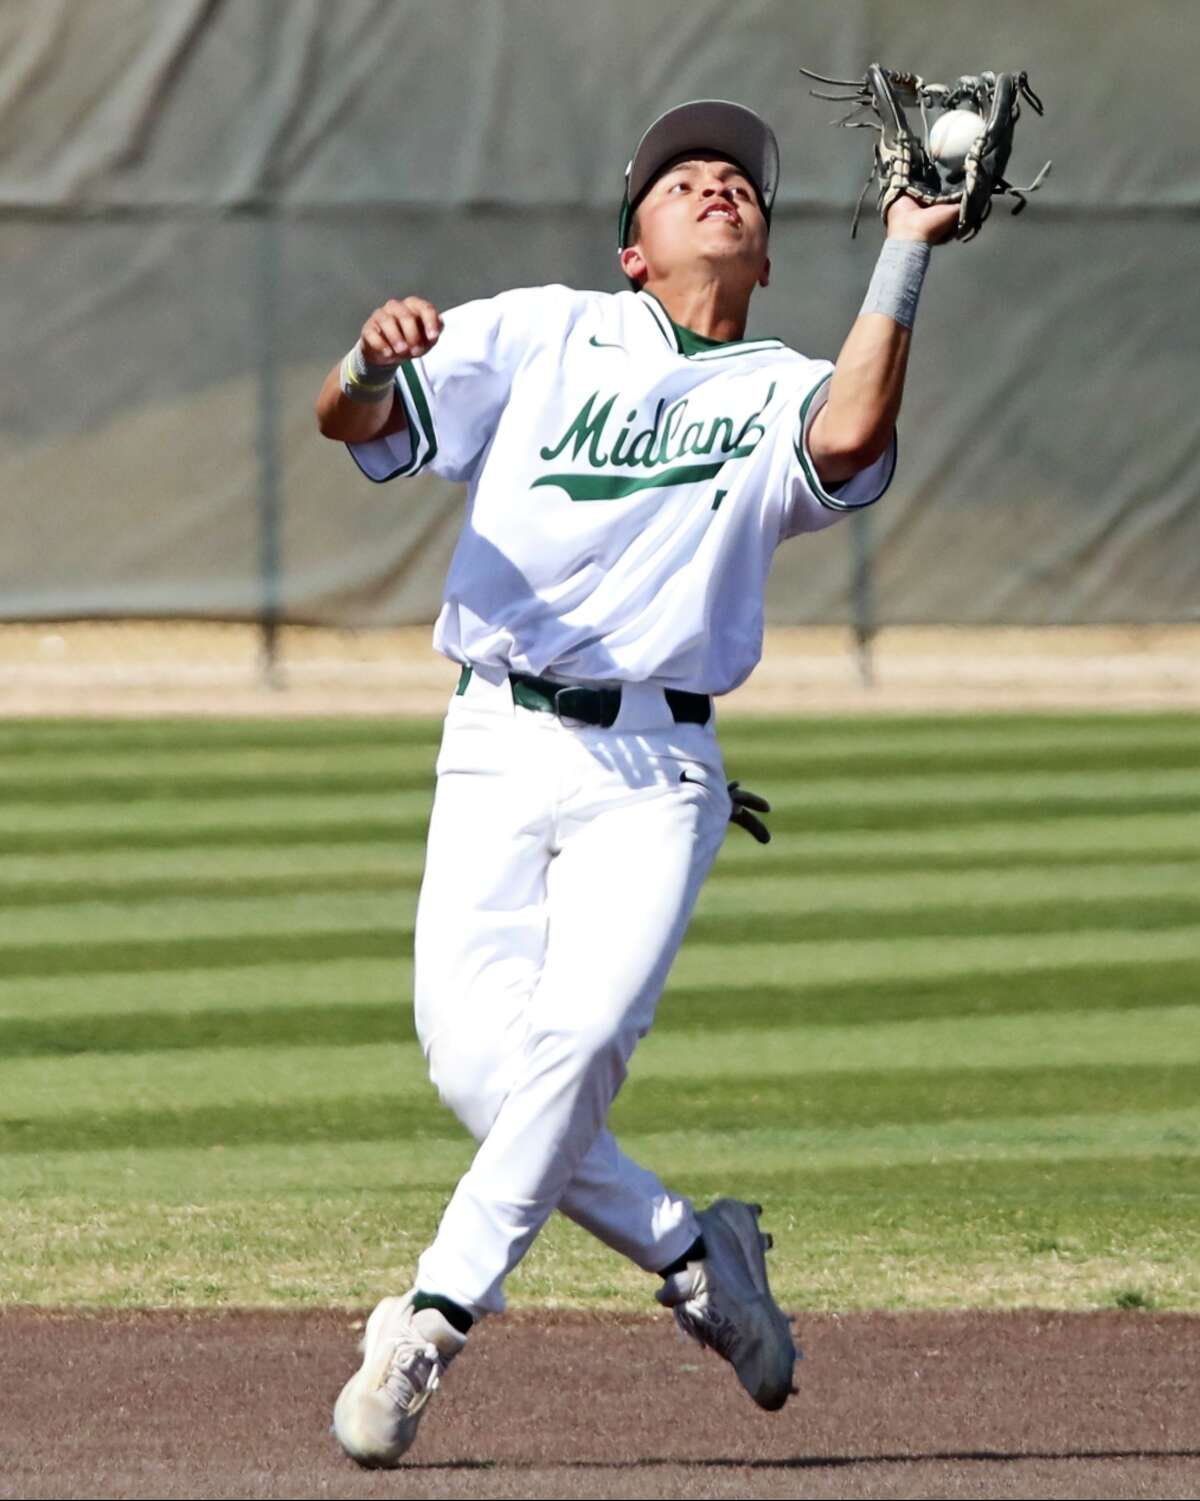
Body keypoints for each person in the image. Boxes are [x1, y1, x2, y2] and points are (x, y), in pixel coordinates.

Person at [314, 99, 958, 1467]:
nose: (718, 185)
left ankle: (429, 1320)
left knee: (583, 1031)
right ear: (632, 252)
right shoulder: (542, 331)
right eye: (684, 181)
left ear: (769, 257)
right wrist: (368, 360)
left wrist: (907, 246)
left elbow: (846, 442)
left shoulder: (783, 380)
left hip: (658, 765)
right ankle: (691, 1245)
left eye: (739, 183)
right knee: (482, 1065)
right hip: (495, 736)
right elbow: (349, 425)